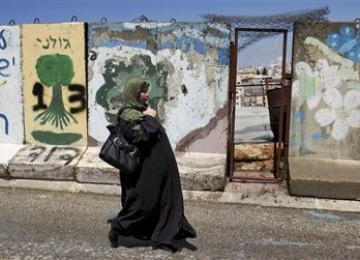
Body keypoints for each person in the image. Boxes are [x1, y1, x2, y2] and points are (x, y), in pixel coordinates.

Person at [108, 77, 197, 253]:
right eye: (143, 91)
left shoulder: (140, 111)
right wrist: (150, 118)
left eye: (147, 90)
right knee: (143, 203)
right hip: (145, 171)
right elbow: (140, 137)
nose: (147, 94)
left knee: (164, 200)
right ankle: (118, 228)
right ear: (134, 94)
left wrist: (147, 116)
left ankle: (166, 232)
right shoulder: (128, 115)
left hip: (159, 169)